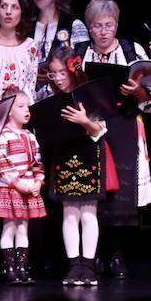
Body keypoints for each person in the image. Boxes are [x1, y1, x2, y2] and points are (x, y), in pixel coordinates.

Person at [73, 0, 151, 279]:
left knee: (122, 191)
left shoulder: (130, 50)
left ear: (117, 24)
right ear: (89, 27)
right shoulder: (80, 52)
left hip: (123, 124)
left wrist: (136, 90)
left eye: (108, 25)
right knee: (91, 190)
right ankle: (92, 254)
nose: (103, 31)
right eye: (97, 26)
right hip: (89, 127)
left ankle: (117, 254)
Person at [42, 47, 109, 286]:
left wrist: (84, 121)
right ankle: (74, 266)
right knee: (69, 212)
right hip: (63, 156)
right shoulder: (52, 100)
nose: (58, 78)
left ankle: (89, 265)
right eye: (53, 74)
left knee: (88, 212)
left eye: (61, 72)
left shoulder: (88, 94)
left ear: (72, 70)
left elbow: (100, 129)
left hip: (88, 155)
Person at [0, 89, 44, 284]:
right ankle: (8, 268)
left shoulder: (30, 135)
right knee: (9, 228)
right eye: (21, 106)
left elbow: (37, 162)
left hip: (28, 188)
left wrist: (37, 182)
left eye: (27, 106)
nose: (26, 110)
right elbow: (0, 162)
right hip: (10, 188)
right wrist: (18, 183)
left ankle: (22, 267)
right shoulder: (2, 135)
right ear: (9, 111)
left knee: (23, 229)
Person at [26, 0, 88, 99]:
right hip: (28, 100)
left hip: (64, 99)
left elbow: (82, 68)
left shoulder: (73, 25)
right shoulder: (26, 26)